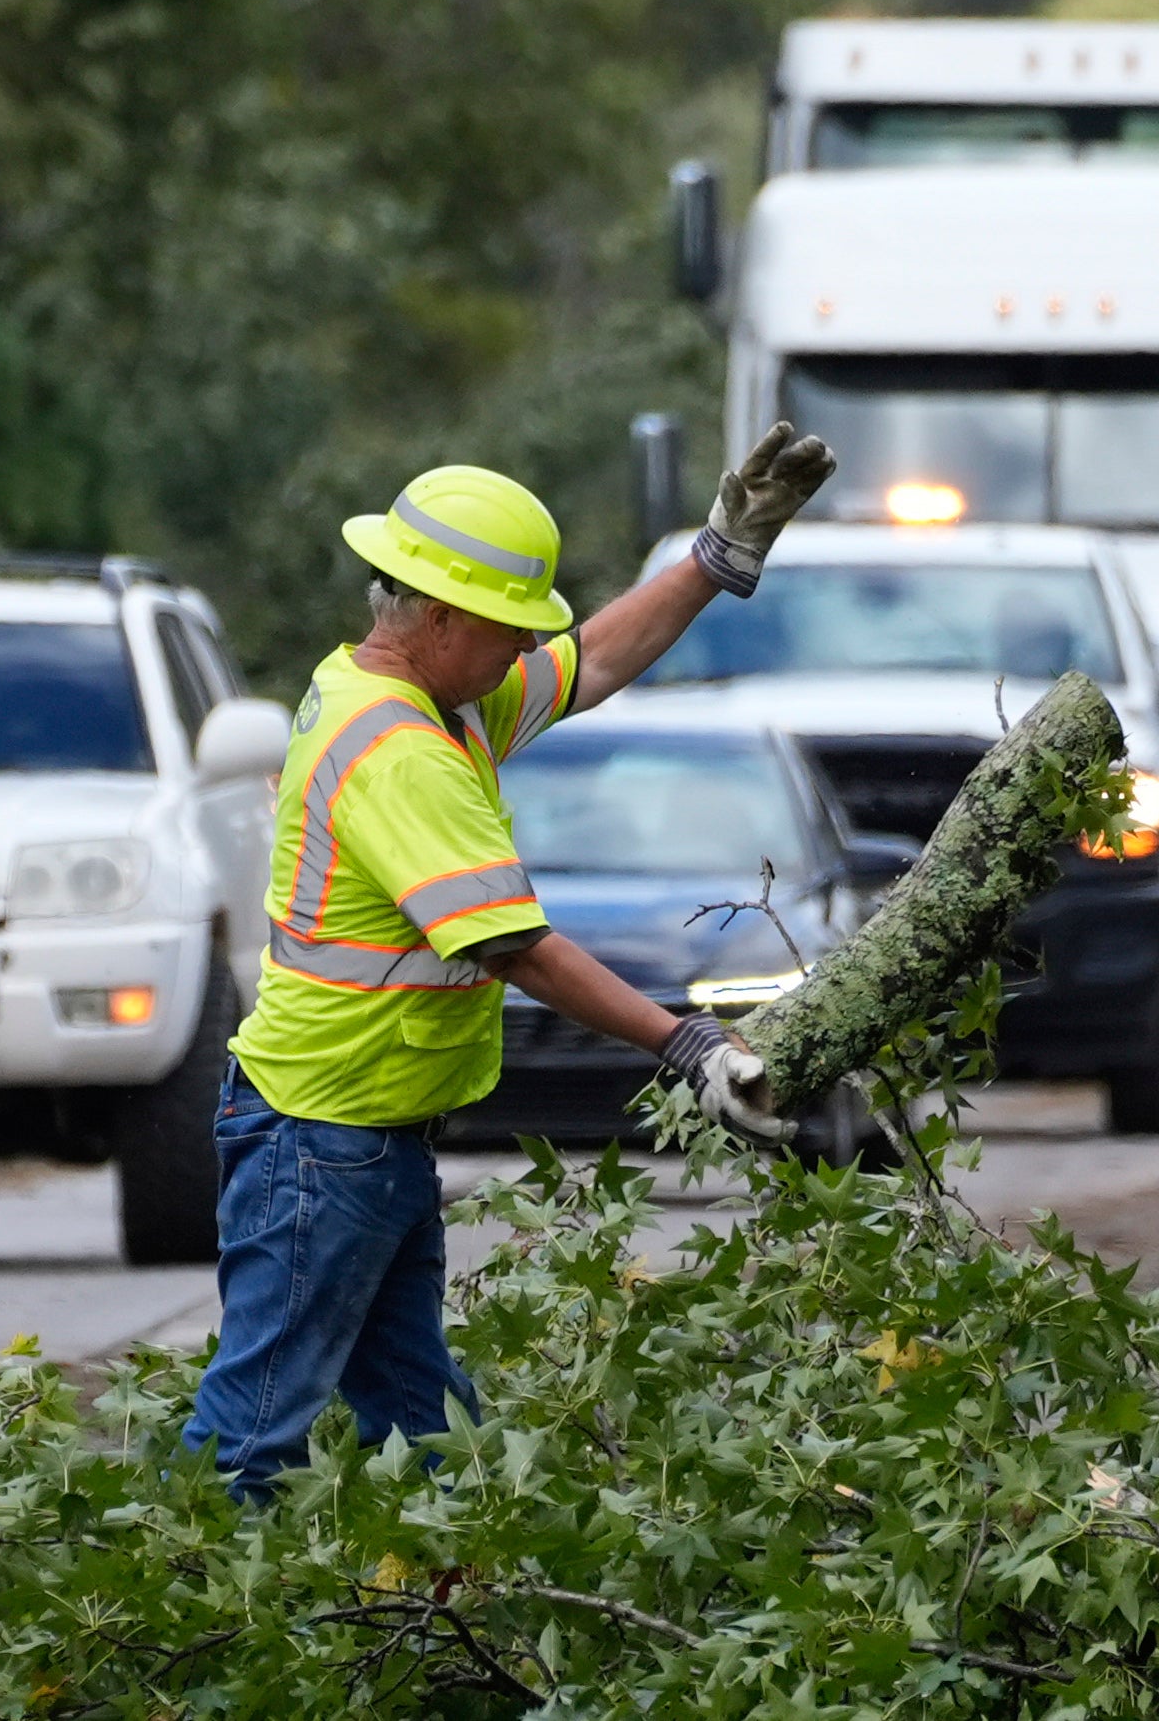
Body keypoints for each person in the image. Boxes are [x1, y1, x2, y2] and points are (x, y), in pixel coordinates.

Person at [180, 425, 836, 1492]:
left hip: (359, 1131)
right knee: (254, 1432)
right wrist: (688, 1044)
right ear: (439, 617)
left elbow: (596, 661)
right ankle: (165, 1630)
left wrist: (716, 559)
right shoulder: (397, 749)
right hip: (322, 1133)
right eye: (505, 629)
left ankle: (448, 1615)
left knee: (426, 1426)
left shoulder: (429, 694)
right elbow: (514, 946)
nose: (521, 652)